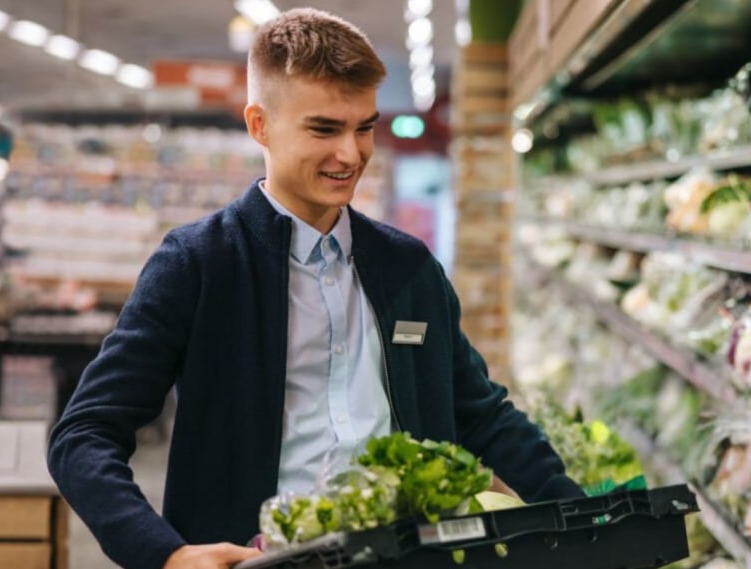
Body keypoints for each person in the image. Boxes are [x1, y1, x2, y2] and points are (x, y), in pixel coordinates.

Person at [47, 8, 582, 569]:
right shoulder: (200, 264)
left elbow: (483, 417)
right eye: (324, 129)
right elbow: (84, 434)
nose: (351, 154)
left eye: (364, 127)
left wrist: (589, 524)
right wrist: (165, 554)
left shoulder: (409, 268)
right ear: (260, 125)